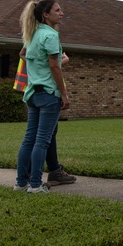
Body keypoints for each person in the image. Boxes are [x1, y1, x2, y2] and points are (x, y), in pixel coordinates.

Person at [15, 0, 71, 194]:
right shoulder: (50, 36)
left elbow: (23, 54)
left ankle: (21, 182)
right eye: (57, 10)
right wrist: (63, 94)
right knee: (42, 140)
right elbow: (54, 67)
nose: (61, 12)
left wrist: (39, 67)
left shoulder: (32, 34)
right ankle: (36, 185)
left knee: (29, 139)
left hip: (32, 94)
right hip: (48, 95)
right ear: (46, 15)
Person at [45, 53, 76, 186]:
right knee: (44, 136)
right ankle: (32, 177)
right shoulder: (48, 37)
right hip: (47, 90)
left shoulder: (30, 38)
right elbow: (52, 65)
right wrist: (65, 59)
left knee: (44, 134)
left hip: (34, 90)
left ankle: (27, 177)